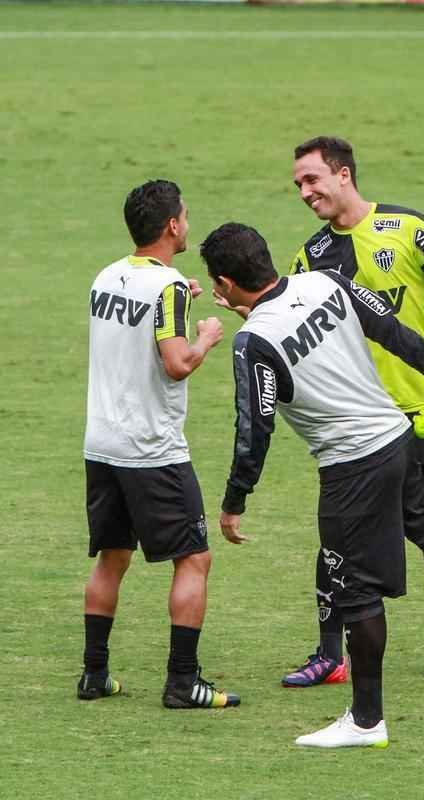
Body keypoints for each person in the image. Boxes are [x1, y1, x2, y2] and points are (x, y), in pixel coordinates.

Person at [215, 137, 424, 682]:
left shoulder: (409, 228)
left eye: (312, 179)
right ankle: (329, 653)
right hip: (365, 418)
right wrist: (248, 310)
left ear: (343, 175)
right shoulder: (311, 259)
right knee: (336, 535)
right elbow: (287, 327)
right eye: (298, 183)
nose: (304, 191)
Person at [200, 222, 424, 748]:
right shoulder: (327, 282)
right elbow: (394, 333)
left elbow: (255, 425)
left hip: (353, 468)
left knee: (357, 593)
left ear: (225, 282)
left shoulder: (252, 342)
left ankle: (366, 721)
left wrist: (236, 498)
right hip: (397, 440)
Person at [79, 179, 239, 710]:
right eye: (185, 216)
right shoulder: (166, 289)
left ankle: (94, 675)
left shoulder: (107, 277)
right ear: (172, 226)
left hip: (101, 445)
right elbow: (176, 365)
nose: (187, 223)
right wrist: (207, 338)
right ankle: (182, 681)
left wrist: (179, 298)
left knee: (111, 558)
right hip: (151, 450)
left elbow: (134, 326)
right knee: (193, 559)